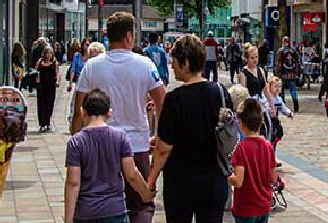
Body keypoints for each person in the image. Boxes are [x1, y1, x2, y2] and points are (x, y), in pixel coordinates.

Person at [70, 12, 166, 222]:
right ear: (129, 36)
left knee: (104, 200)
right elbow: (163, 102)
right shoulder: (145, 65)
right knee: (141, 204)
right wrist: (160, 136)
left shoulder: (92, 66)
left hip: (99, 147)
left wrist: (76, 135)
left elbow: (78, 109)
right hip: (137, 144)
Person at [146, 36, 231, 222]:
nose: (173, 66)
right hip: (213, 179)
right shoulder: (220, 92)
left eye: (175, 61)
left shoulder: (174, 99)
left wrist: (150, 180)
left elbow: (163, 149)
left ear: (185, 63)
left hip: (180, 182)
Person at [64, 89, 153, 223]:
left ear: (83, 112)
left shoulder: (76, 142)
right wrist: (146, 195)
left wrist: (68, 219)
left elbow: (73, 182)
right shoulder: (120, 137)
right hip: (114, 209)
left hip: (85, 211)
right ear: (109, 113)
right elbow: (131, 174)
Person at [228, 98, 278, 223]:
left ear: (241, 124)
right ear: (261, 122)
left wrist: (226, 175)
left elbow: (238, 181)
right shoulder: (268, 146)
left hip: (246, 206)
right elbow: (273, 178)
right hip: (264, 204)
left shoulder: (241, 148)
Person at [35, 47, 60, 133]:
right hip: (42, 85)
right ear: (44, 54)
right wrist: (37, 80)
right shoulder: (40, 62)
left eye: (50, 53)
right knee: (41, 104)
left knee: (50, 103)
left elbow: (57, 74)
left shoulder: (54, 63)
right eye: (47, 53)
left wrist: (57, 81)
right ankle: (42, 124)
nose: (48, 55)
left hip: (51, 86)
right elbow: (36, 71)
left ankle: (48, 122)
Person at [275, 36, 303, 112]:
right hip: (292, 75)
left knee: (282, 90)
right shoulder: (294, 50)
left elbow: (278, 63)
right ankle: (296, 104)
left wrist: (277, 73)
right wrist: (298, 72)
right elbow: (298, 62)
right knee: (293, 90)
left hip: (283, 74)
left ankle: (283, 105)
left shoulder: (280, 51)